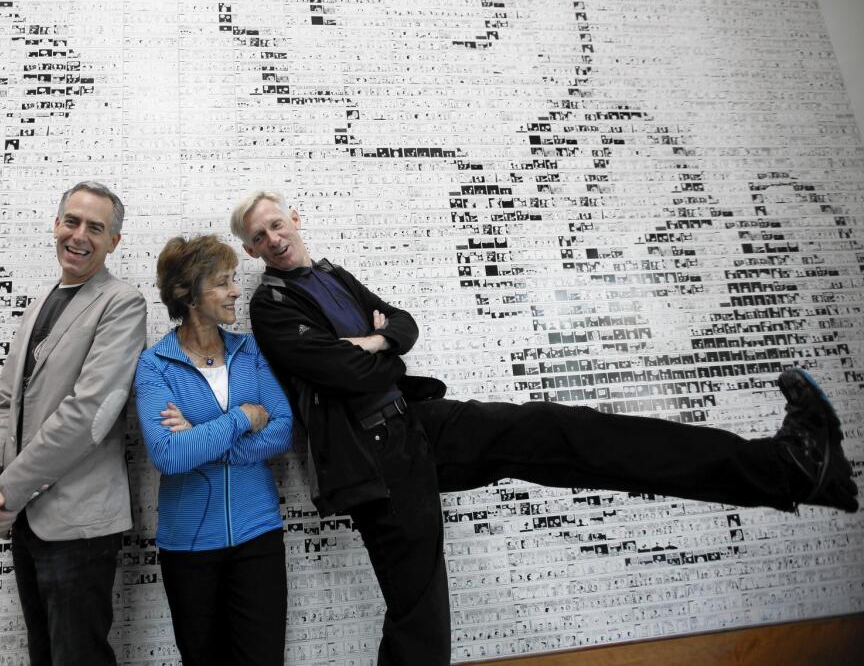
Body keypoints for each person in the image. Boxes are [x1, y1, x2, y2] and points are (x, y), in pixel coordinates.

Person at [232, 189, 858, 666]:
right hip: (375, 460)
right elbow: (354, 372)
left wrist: (376, 339)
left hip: (420, 420)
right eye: (260, 237)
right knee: (420, 616)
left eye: (277, 224)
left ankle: (792, 467)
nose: (274, 238)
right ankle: (793, 469)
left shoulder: (333, 276)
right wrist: (377, 347)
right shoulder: (273, 306)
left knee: (563, 430)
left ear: (295, 220)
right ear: (255, 251)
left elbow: (403, 325)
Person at [0, 181, 147, 666]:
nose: (79, 235)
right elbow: (6, 402)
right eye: (71, 221)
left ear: (114, 241)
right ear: (56, 225)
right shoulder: (38, 304)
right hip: (26, 520)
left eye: (96, 227)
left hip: (79, 525)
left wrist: (9, 489)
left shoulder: (121, 302)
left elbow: (90, 412)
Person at [134, 234, 293, 666]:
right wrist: (242, 417)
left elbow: (282, 430)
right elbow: (167, 454)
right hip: (188, 548)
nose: (236, 291)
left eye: (234, 280)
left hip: (257, 536)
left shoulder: (250, 350)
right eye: (223, 282)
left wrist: (202, 438)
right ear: (188, 293)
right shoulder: (155, 365)